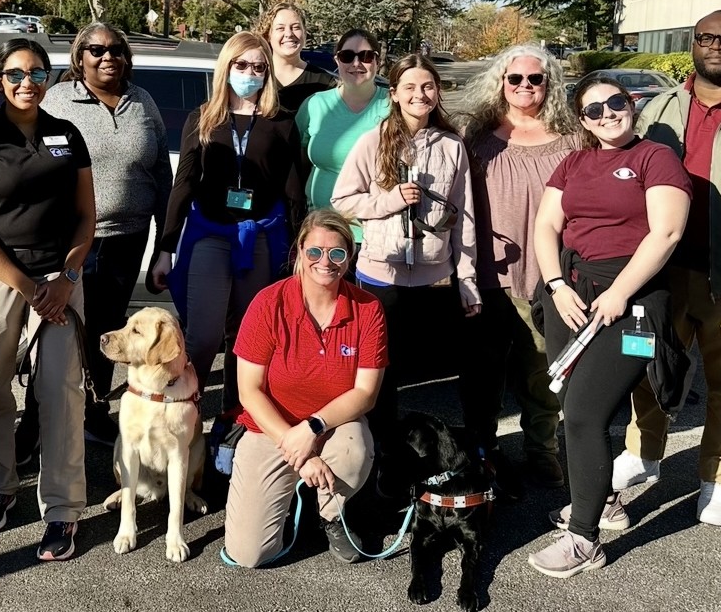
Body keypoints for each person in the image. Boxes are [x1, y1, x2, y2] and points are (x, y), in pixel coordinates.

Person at [614, 9, 721, 527]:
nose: (716, 46)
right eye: (706, 37)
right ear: (692, 43)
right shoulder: (658, 110)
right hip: (664, 274)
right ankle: (644, 455)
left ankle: (720, 479)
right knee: (650, 368)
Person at [527, 76, 690, 578]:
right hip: (571, 295)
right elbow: (546, 226)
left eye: (615, 103)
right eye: (593, 110)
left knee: (582, 415)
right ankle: (607, 502)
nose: (606, 114)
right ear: (582, 121)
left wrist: (620, 292)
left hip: (633, 300)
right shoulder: (574, 162)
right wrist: (555, 284)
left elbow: (667, 231)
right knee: (574, 404)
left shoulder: (655, 157)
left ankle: (584, 539)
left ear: (631, 104)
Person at [0, 38, 95, 562]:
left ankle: (62, 509)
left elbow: (87, 216)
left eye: (37, 72)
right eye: (15, 74)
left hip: (60, 279)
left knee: (61, 394)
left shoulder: (67, 134)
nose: (26, 83)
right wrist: (25, 284)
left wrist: (66, 275)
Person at [331, 53, 480, 471]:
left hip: (435, 279)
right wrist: (387, 201)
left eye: (428, 86)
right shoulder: (374, 140)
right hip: (381, 277)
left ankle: (428, 461)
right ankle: (378, 459)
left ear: (438, 93)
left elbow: (465, 217)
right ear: (393, 94)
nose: (420, 94)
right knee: (381, 373)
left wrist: (466, 280)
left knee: (433, 376)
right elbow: (342, 201)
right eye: (410, 87)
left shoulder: (452, 146)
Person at [32, 22, 172, 451]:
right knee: (61, 330)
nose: (107, 56)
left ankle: (94, 413)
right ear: (80, 58)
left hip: (129, 238)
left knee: (109, 332)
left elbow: (161, 174)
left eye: (116, 49)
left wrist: (164, 239)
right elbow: (37, 167)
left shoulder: (142, 101)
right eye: (96, 50)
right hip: (74, 242)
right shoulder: (57, 100)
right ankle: (40, 422)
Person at [151, 31, 305, 416]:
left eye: (258, 66)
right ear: (227, 67)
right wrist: (164, 249)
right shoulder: (202, 118)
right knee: (202, 337)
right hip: (212, 234)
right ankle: (185, 409)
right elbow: (183, 184)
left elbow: (293, 191)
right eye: (241, 64)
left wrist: (300, 250)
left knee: (249, 338)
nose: (250, 73)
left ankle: (235, 420)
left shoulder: (281, 122)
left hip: (261, 238)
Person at [222, 209, 386, 567]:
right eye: (314, 252)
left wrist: (313, 428)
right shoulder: (268, 303)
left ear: (349, 258)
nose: (325, 261)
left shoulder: (368, 309)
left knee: (355, 448)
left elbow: (365, 394)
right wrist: (298, 447)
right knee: (248, 554)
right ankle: (296, 491)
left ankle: (331, 514)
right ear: (298, 253)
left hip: (334, 427)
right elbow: (249, 391)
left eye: (337, 253)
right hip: (271, 428)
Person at [458, 44, 580, 488]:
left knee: (543, 370)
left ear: (550, 84)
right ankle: (481, 451)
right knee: (484, 372)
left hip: (551, 277)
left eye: (536, 79)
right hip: (490, 276)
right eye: (516, 79)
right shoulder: (478, 138)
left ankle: (541, 449)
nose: (525, 86)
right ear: (501, 83)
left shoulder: (573, 140)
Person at [296, 28, 389, 249]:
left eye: (366, 56)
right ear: (337, 60)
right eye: (348, 56)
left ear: (378, 61)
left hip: (375, 234)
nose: (357, 63)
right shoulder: (315, 105)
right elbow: (295, 161)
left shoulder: (394, 106)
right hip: (321, 233)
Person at [259, 3, 334, 114]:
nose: (289, 34)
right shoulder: (257, 78)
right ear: (268, 35)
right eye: (280, 28)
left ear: (304, 33)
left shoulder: (325, 82)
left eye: (296, 27)